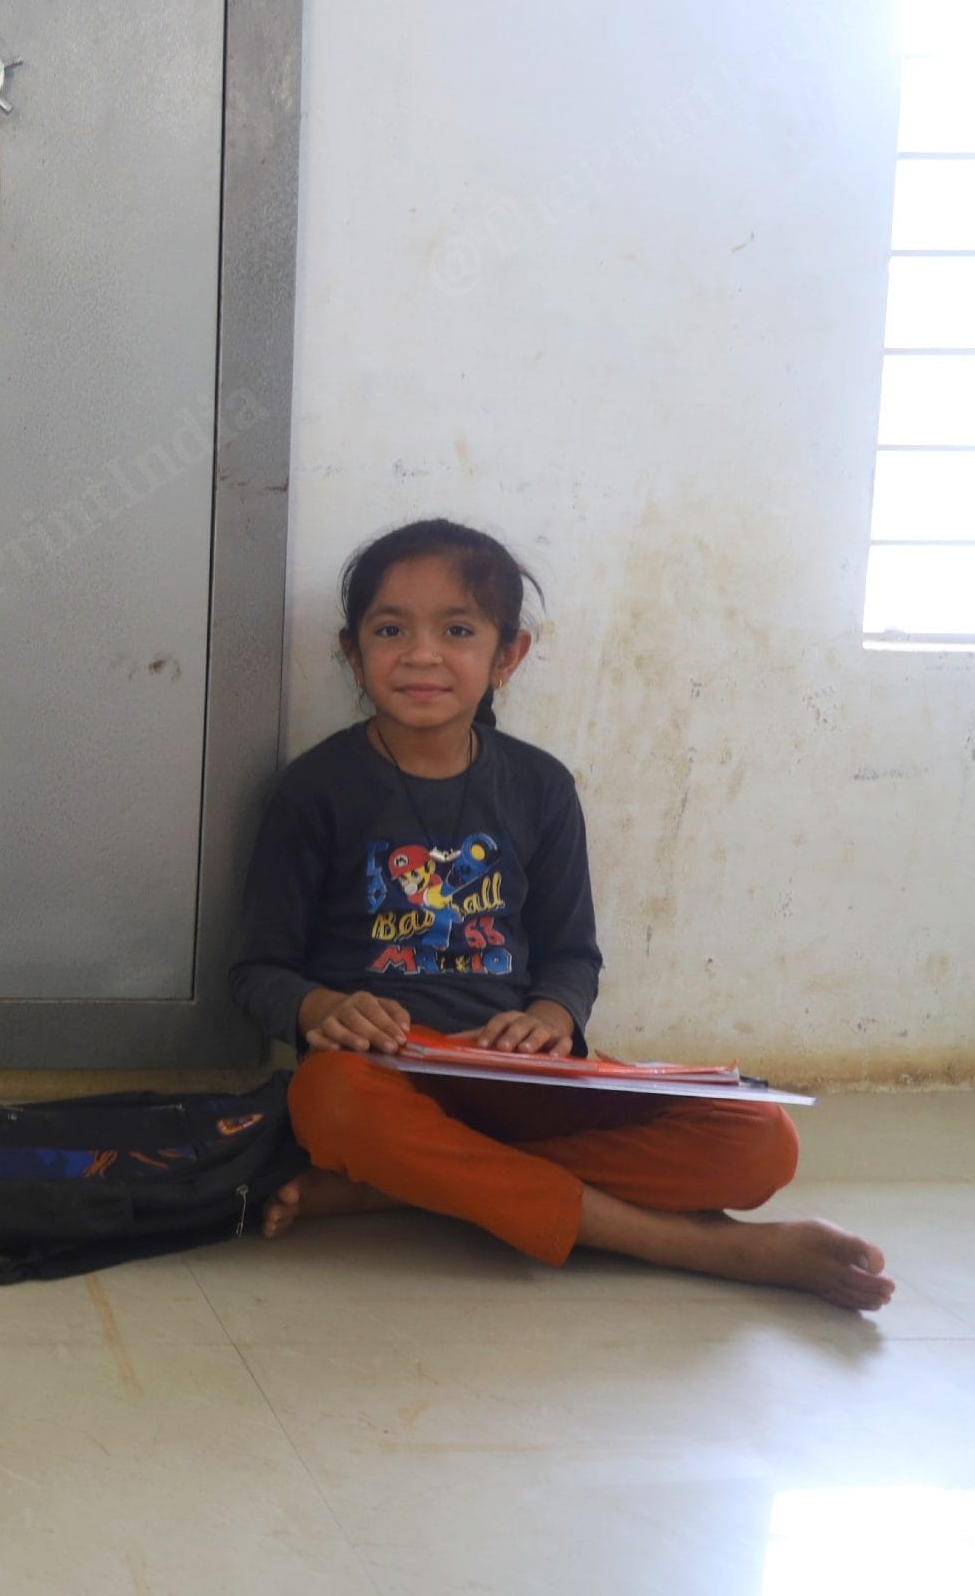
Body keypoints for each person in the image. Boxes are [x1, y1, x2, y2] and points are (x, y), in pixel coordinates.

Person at [231, 517, 891, 1312]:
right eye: (390, 629)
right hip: (385, 1073)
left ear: (508, 655)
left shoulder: (540, 787)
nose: (421, 654)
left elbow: (573, 955)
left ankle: (406, 1186)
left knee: (759, 1140)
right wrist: (322, 1009)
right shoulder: (315, 789)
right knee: (327, 1098)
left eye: (458, 630)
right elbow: (259, 971)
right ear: (352, 650)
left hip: (519, 1074)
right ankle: (704, 1248)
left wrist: (549, 1016)